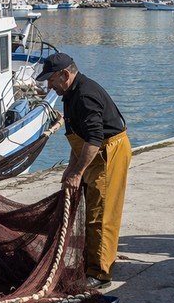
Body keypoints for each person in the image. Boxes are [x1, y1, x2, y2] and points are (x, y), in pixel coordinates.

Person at [38, 53, 131, 289]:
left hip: (108, 153)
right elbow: (78, 139)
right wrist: (71, 168)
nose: (49, 85)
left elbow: (94, 139)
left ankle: (100, 274)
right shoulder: (69, 94)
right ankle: (91, 263)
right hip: (94, 153)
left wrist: (77, 173)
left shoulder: (85, 96)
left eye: (51, 79)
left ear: (65, 75)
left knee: (101, 215)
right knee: (93, 211)